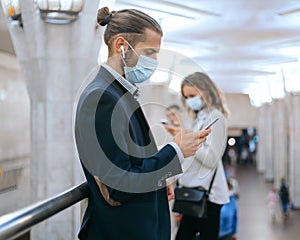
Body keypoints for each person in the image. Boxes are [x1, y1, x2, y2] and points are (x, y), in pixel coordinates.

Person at [74, 7, 211, 240]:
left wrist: (158, 181)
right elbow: (118, 185)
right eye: (149, 52)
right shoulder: (102, 98)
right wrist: (175, 151)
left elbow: (132, 161)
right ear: (121, 45)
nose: (155, 61)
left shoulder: (118, 93)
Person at [166, 72, 229, 240]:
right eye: (186, 97)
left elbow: (211, 159)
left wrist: (187, 140)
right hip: (194, 190)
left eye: (193, 95)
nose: (189, 101)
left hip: (208, 196)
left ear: (206, 92)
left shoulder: (216, 117)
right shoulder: (199, 117)